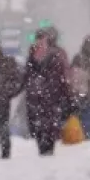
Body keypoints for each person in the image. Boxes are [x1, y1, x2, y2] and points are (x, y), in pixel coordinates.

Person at [25, 26, 74, 157]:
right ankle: (46, 149)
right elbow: (65, 76)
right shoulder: (58, 53)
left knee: (42, 125)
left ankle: (45, 149)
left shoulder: (35, 53)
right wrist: (68, 95)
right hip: (49, 95)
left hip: (41, 95)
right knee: (47, 125)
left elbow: (28, 75)